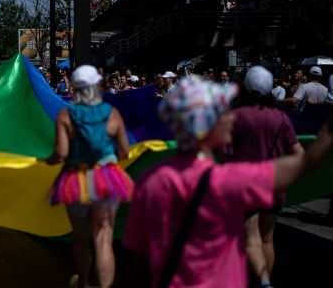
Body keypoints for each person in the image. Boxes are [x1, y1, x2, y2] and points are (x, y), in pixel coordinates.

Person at [120, 76, 333, 288]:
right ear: (208, 125)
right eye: (221, 112)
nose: (230, 117)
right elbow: (306, 163)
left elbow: (140, 261)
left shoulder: (150, 180)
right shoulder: (227, 181)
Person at [45, 65, 132, 288]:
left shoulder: (66, 115)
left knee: (81, 240)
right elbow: (125, 152)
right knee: (103, 240)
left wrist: (50, 159)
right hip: (106, 179)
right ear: (97, 86)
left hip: (75, 180)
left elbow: (62, 153)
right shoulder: (112, 113)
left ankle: (83, 283)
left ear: (74, 87)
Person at [221, 66, 304, 287]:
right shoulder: (281, 118)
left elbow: (224, 155)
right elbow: (299, 155)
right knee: (267, 239)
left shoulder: (235, 117)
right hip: (273, 186)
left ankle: (253, 281)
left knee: (248, 241)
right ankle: (265, 282)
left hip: (244, 187)